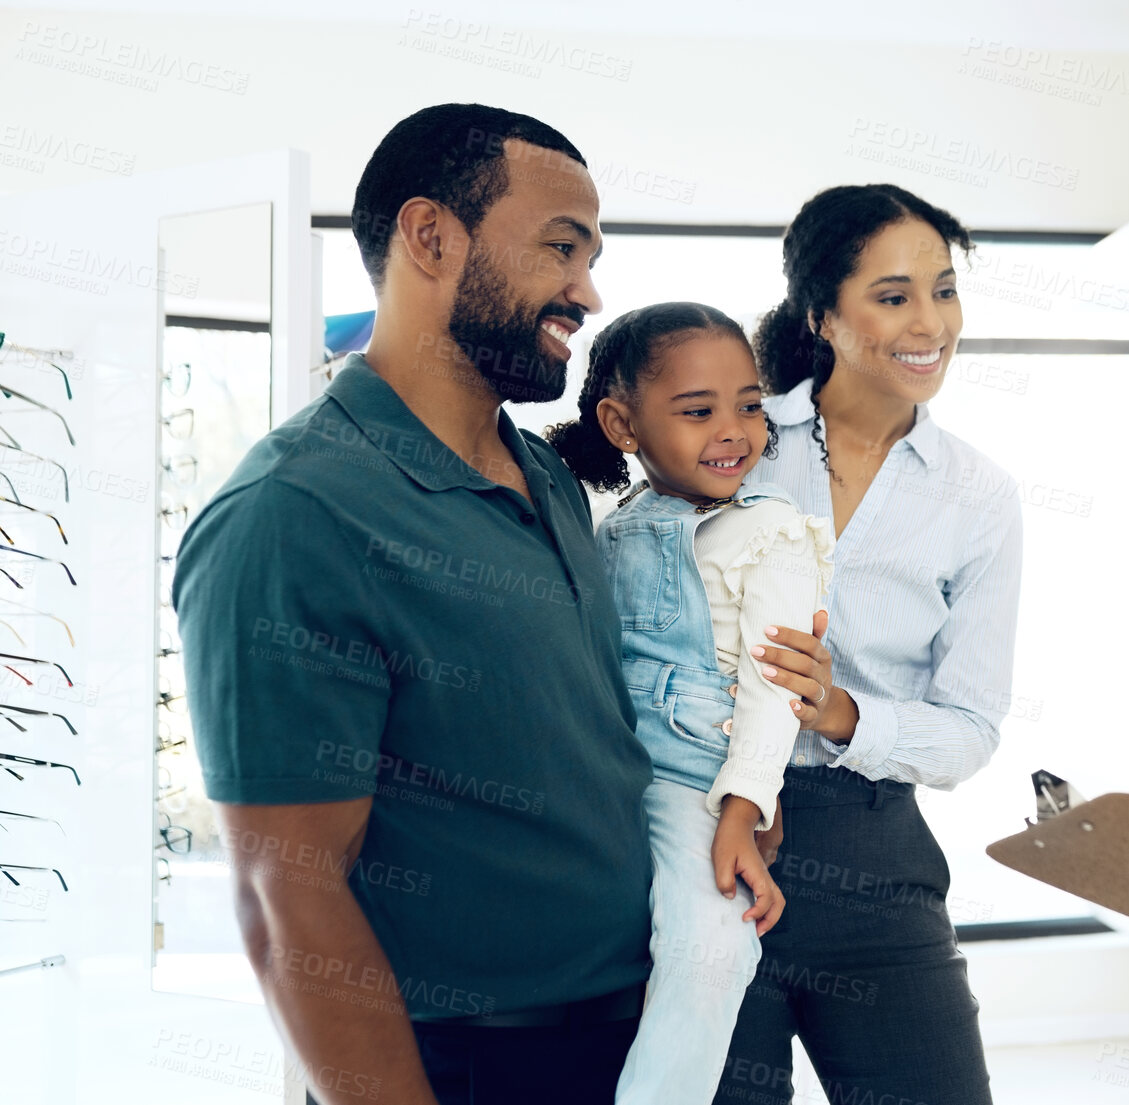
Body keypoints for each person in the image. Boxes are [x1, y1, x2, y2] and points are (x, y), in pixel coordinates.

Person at [171, 104, 835, 1105]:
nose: (588, 288)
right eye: (560, 248)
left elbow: (597, 726)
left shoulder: (551, 479)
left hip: (639, 1025)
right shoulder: (295, 512)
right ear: (432, 238)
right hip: (477, 1066)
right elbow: (286, 892)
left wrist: (737, 787)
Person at [713, 184, 1024, 1105]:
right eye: (892, 297)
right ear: (823, 316)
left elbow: (969, 728)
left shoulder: (979, 496)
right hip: (712, 846)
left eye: (943, 290)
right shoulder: (738, 441)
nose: (929, 323)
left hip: (875, 855)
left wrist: (844, 713)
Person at [544, 301, 834, 1103]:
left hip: (694, 781)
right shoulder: (609, 526)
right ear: (622, 423)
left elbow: (777, 690)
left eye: (748, 404)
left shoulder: (772, 531)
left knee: (712, 946)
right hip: (605, 768)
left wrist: (743, 810)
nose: (734, 429)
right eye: (698, 411)